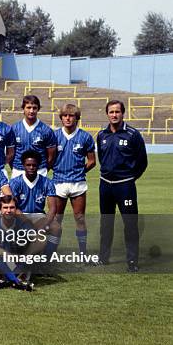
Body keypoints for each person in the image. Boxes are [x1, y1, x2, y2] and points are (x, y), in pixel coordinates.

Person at [96, 100, 148, 272]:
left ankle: (132, 262)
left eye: (117, 111)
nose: (114, 115)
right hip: (105, 187)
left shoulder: (132, 134)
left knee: (130, 223)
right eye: (111, 112)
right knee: (106, 223)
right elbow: (102, 158)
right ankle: (104, 258)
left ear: (123, 113)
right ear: (107, 114)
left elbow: (142, 162)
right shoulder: (101, 134)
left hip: (125, 187)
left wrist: (129, 178)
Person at [52, 104, 96, 255]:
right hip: (58, 183)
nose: (68, 118)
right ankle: (52, 252)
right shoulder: (54, 136)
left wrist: (79, 171)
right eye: (65, 115)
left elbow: (92, 161)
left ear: (77, 118)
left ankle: (83, 253)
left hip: (78, 184)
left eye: (71, 116)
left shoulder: (85, 137)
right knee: (56, 221)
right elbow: (48, 159)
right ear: (61, 118)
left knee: (80, 219)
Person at [0, 195, 40, 291]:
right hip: (0, 265)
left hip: (20, 264)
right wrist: (7, 254)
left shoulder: (22, 223)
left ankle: (8, 280)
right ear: (0, 210)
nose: (8, 210)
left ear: (16, 209)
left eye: (12, 207)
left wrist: (26, 255)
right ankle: (16, 281)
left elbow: (40, 240)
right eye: (5, 207)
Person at [8, 150, 61, 257]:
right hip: (20, 215)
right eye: (28, 165)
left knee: (56, 227)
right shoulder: (15, 182)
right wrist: (26, 222)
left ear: (38, 166)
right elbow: (13, 206)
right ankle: (17, 257)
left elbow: (53, 209)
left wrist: (44, 224)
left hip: (39, 216)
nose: (31, 167)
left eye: (34, 165)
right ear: (23, 165)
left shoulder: (47, 182)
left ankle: (46, 260)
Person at [11, 95, 57, 178]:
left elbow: (51, 156)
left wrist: (43, 169)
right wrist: (15, 167)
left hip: (39, 171)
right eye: (28, 107)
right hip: (18, 170)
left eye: (34, 108)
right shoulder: (14, 129)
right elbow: (11, 153)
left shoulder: (46, 130)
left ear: (38, 109)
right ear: (23, 109)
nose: (31, 111)